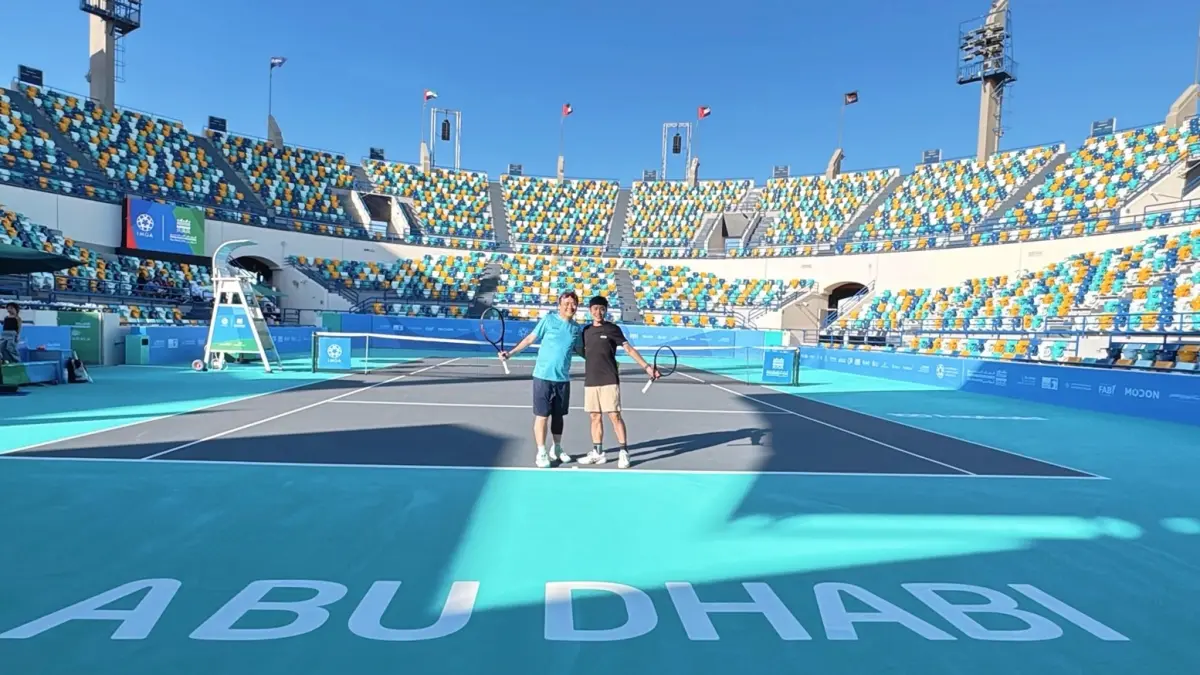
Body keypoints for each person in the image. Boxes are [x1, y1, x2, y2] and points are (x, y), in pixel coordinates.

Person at [501, 291, 584, 468]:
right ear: (559, 305)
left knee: (558, 417)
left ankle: (557, 448)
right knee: (542, 416)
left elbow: (581, 351)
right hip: (543, 377)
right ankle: (541, 452)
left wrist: (604, 361)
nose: (570, 307)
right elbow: (530, 339)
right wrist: (510, 353)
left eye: (573, 304)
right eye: (566, 303)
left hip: (562, 379)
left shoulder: (576, 329)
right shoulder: (548, 320)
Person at [576, 295, 659, 469]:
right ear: (590, 311)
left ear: (606, 311)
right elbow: (584, 352)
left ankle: (623, 452)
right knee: (594, 416)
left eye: (602, 309)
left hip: (609, 379)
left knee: (614, 416)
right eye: (595, 309)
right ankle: (598, 452)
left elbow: (628, 349)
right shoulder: (585, 331)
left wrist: (646, 367)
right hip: (591, 380)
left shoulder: (613, 329)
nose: (598, 312)